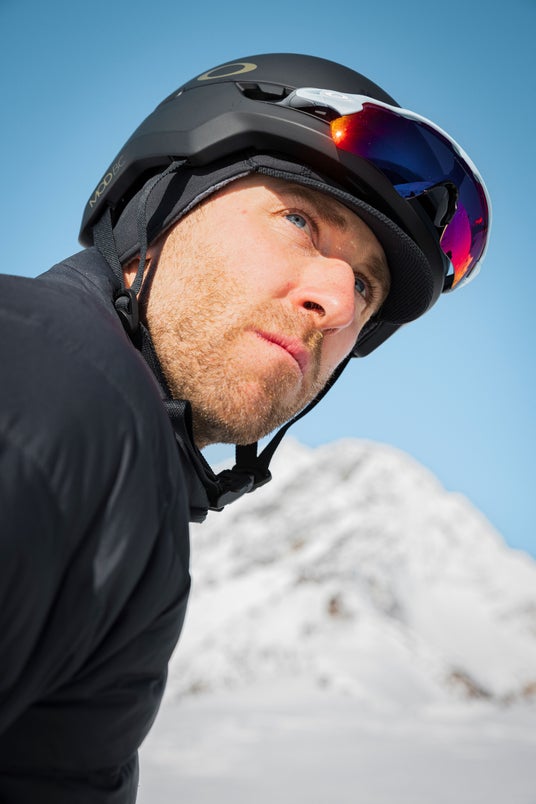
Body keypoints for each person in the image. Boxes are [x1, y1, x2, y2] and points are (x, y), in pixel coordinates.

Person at [0, 53, 490, 802]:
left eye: (366, 285)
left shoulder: (124, 465)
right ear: (158, 207)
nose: (339, 304)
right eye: (299, 220)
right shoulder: (50, 390)